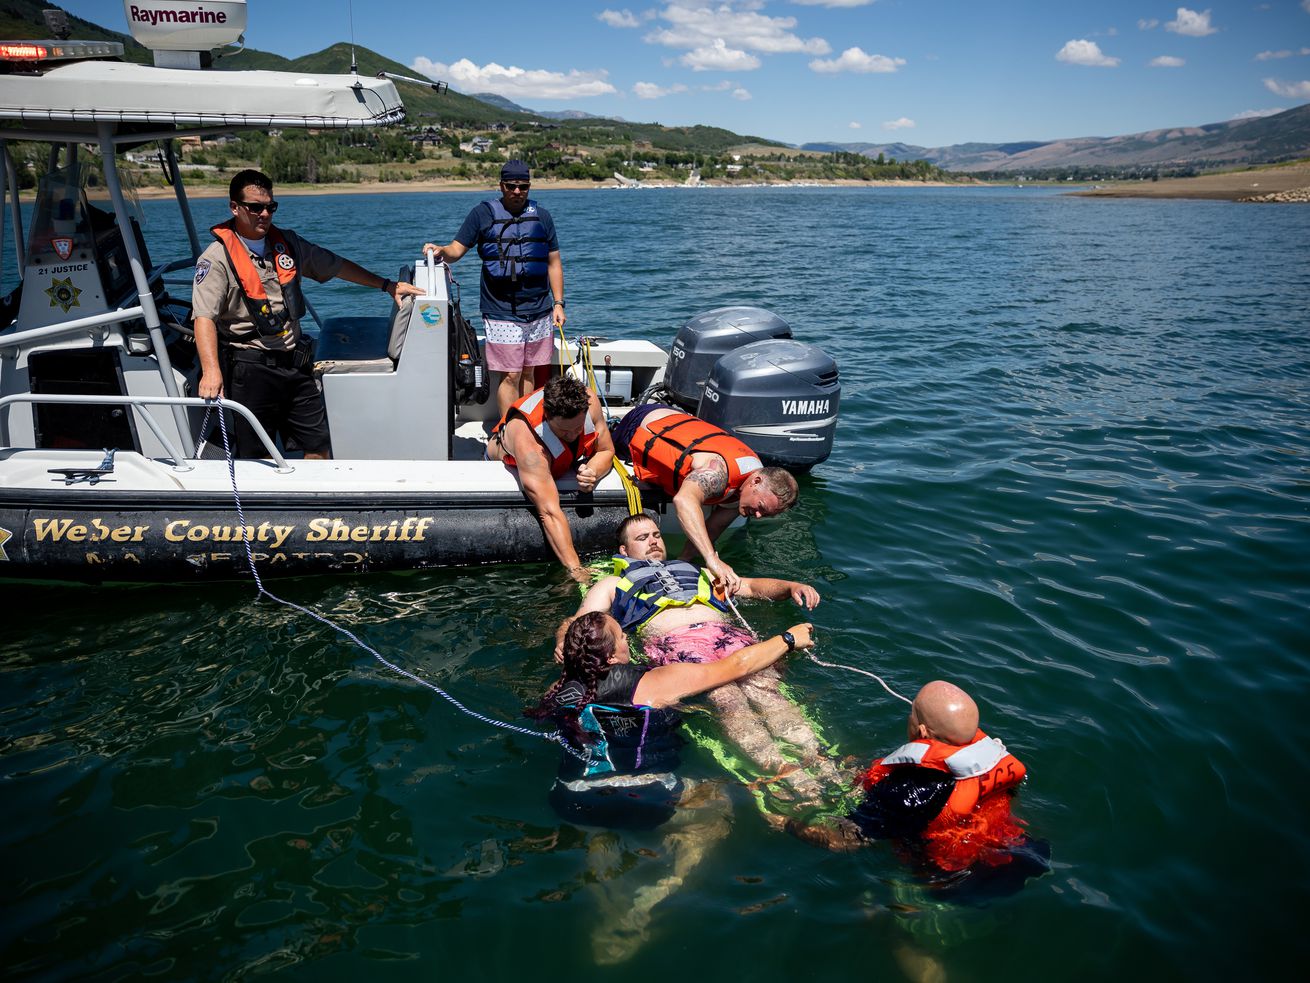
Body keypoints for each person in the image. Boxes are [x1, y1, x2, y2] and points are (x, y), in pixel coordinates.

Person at [529, 610, 814, 963]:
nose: (626, 640)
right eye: (621, 636)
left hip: (570, 798)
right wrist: (789, 639)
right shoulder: (653, 682)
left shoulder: (556, 690)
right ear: (612, 653)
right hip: (644, 793)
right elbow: (736, 665)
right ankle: (652, 898)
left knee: (601, 831)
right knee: (714, 804)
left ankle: (606, 902)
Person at [556, 514, 849, 812]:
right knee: (728, 698)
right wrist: (562, 642)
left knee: (766, 692)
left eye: (656, 534)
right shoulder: (612, 583)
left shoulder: (696, 571)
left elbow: (748, 586)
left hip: (727, 636)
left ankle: (822, 762)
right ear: (623, 551)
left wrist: (789, 586)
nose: (653, 541)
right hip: (678, 644)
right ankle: (786, 773)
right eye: (642, 538)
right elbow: (581, 621)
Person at [193, 169, 421, 459]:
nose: (264, 214)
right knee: (256, 457)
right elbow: (204, 318)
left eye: (270, 207)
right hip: (251, 370)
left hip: (294, 365)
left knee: (318, 446)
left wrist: (386, 285)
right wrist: (212, 371)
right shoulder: (216, 259)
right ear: (234, 208)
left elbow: (335, 265)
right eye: (255, 207)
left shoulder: (287, 244)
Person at [786, 680, 1049, 897]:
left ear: (921, 730)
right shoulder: (988, 761)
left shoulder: (907, 792)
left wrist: (786, 824)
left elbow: (844, 841)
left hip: (956, 884)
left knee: (873, 915)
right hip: (1026, 856)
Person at [422, 160, 565, 419]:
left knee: (529, 372)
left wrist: (558, 303)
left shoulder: (542, 216)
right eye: (511, 186)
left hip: (539, 308)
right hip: (500, 310)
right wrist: (442, 250)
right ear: (502, 186)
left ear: (529, 187)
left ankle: (527, 425)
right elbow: (456, 249)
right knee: (511, 374)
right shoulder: (482, 214)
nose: (517, 191)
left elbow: (553, 262)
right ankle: (508, 428)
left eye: (523, 186)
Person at [611, 404, 798, 594]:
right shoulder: (717, 473)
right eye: (760, 507)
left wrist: (682, 563)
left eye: (765, 514)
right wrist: (711, 558)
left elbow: (712, 528)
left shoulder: (746, 490)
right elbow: (684, 500)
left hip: (678, 421)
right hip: (641, 423)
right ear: (756, 481)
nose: (757, 515)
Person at [487, 375, 616, 582]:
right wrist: (576, 569)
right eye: (565, 431)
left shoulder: (589, 402)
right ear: (547, 417)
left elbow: (606, 451)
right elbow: (549, 512)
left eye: (578, 428)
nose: (574, 435)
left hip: (560, 462)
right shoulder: (530, 446)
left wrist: (592, 471)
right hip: (504, 460)